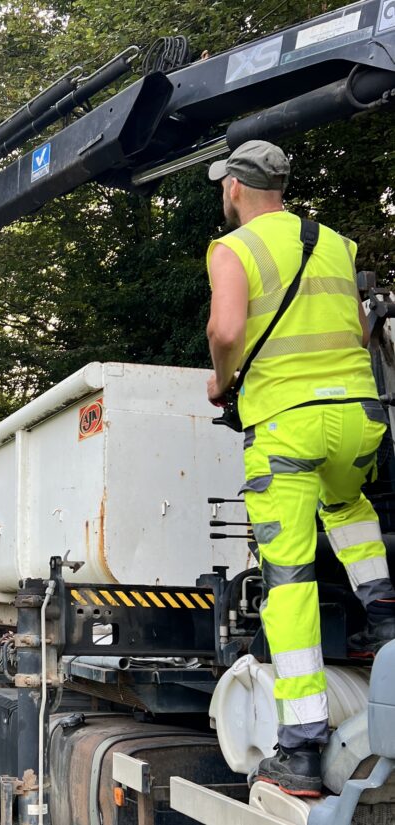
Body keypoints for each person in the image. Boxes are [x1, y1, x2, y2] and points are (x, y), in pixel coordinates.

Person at [205, 140, 395, 797]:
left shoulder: (234, 248)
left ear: (234, 188)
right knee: (347, 506)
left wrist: (220, 381)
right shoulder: (335, 242)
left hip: (287, 423)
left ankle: (303, 749)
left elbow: (227, 331)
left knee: (289, 584)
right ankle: (383, 617)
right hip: (357, 417)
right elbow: (365, 331)